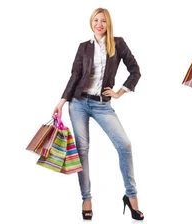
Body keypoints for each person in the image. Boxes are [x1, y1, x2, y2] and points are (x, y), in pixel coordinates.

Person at [53, 7, 144, 221]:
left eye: (103, 21)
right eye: (95, 20)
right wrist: (62, 100)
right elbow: (75, 75)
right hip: (78, 103)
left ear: (108, 23)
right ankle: (86, 199)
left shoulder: (117, 43)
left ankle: (131, 197)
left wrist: (121, 92)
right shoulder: (84, 47)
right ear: (91, 23)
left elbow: (135, 70)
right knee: (82, 150)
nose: (99, 24)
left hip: (103, 104)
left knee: (125, 145)